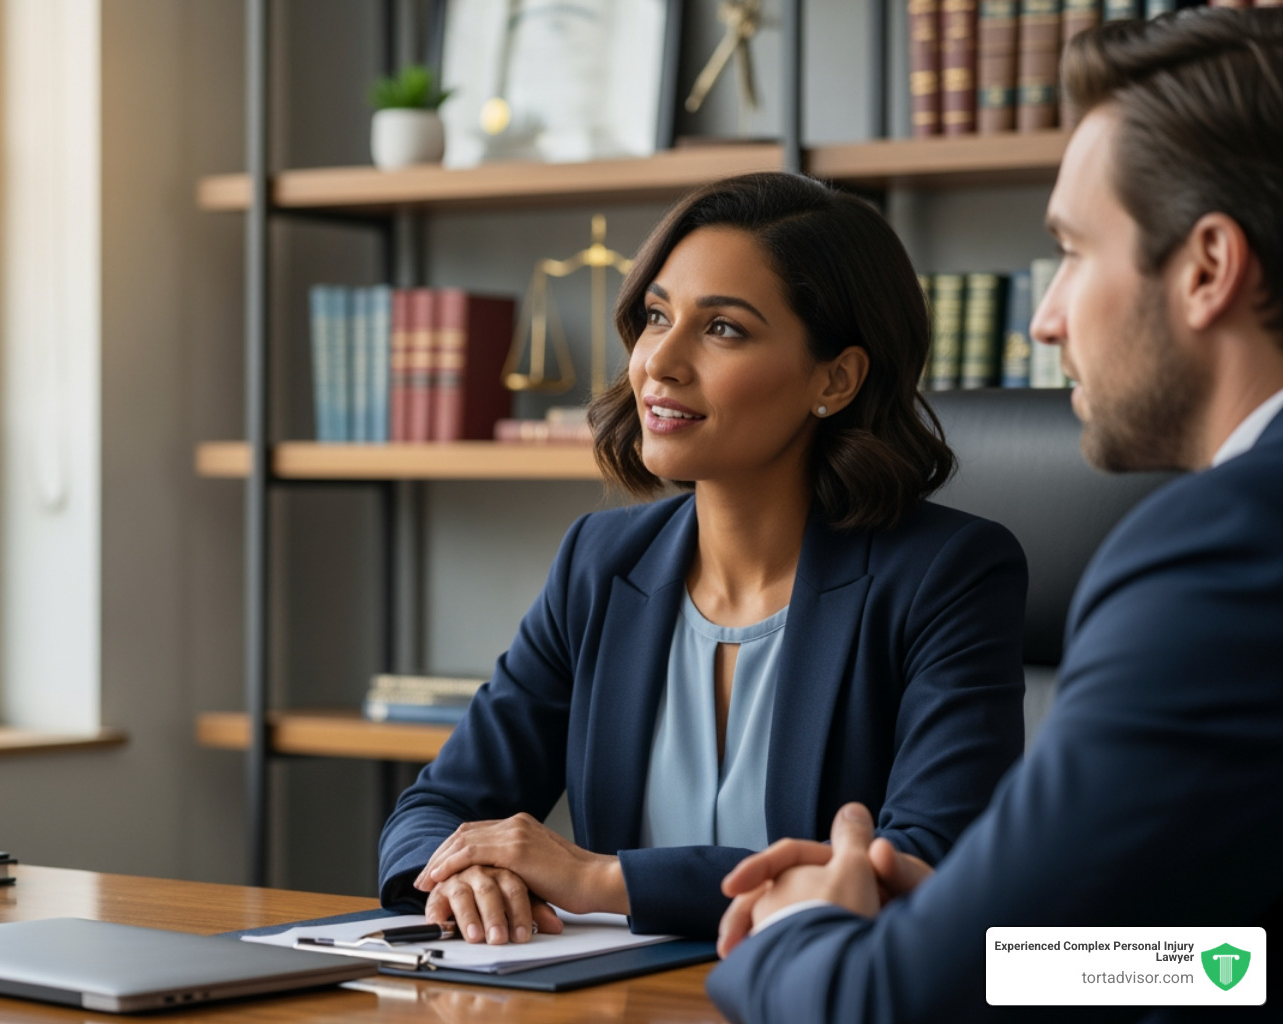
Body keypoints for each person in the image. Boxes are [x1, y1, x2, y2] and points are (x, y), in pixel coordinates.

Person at [708, 10, 1283, 1023]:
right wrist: (980, 933)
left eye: (1070, 250)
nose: (1046, 316)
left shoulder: (1223, 547)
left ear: (1207, 267)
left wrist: (799, 924)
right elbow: (1236, 961)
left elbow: (881, 1005)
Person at [376, 172, 1028, 943]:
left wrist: (603, 880)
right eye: (657, 316)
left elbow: (919, 868)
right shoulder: (599, 561)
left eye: (723, 329)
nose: (660, 362)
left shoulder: (948, 573)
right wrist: (469, 872)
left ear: (836, 378)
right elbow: (431, 812)